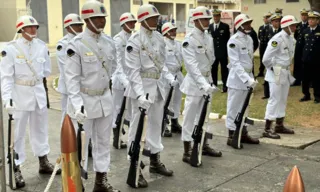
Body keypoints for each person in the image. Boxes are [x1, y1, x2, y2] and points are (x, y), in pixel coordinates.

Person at [64, 1, 119, 191]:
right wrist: (77, 105)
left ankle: (100, 181)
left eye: (103, 17)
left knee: (103, 142)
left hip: (104, 99)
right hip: (85, 101)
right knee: (81, 146)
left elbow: (112, 70)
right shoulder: (76, 45)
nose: (102, 21)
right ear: (87, 19)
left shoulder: (109, 42)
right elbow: (71, 80)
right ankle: (77, 184)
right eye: (97, 18)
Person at [1, 15, 60, 188]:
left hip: (38, 94)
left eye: (35, 27)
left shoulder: (42, 47)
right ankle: (16, 167)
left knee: (40, 130)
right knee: (17, 134)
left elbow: (46, 71)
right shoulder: (10, 49)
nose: (34, 29)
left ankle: (43, 161)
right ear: (21, 29)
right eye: (30, 27)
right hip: (19, 95)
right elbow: (5, 77)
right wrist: (7, 98)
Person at [124, 4, 174, 188]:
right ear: (143, 19)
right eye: (153, 17)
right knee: (137, 130)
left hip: (158, 88)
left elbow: (162, 63)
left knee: (155, 126)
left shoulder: (159, 38)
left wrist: (169, 77)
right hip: (142, 89)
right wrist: (139, 94)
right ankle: (134, 165)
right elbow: (133, 71)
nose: (157, 20)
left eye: (157, 17)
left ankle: (154, 160)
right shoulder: (135, 41)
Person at [180, 6, 222, 164]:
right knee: (190, 117)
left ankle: (203, 144)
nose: (207, 22)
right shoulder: (189, 40)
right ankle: (187, 149)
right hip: (194, 83)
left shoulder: (208, 38)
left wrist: (208, 82)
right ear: (195, 20)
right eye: (204, 19)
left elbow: (210, 61)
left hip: (207, 81)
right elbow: (191, 66)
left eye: (208, 19)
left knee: (204, 117)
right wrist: (203, 84)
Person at [225, 13, 260, 149]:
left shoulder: (249, 39)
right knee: (233, 108)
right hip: (237, 80)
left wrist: (252, 77)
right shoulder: (233, 41)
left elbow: (250, 60)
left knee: (245, 108)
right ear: (239, 26)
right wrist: (247, 79)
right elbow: (236, 63)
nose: (249, 26)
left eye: (249, 23)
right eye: (246, 23)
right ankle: (231, 135)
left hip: (248, 79)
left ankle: (243, 133)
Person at [262, 15, 298, 139]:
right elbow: (266, 59)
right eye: (293, 25)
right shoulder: (277, 39)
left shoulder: (291, 39)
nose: (295, 27)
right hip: (276, 71)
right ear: (286, 26)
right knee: (274, 99)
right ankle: (267, 128)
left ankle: (279, 125)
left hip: (286, 72)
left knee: (282, 99)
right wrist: (273, 69)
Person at [111, 12, 137, 149]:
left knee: (130, 110)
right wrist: (124, 80)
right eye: (131, 22)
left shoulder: (134, 38)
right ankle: (116, 137)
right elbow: (118, 63)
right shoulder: (117, 40)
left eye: (134, 22)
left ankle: (126, 135)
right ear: (124, 24)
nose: (133, 24)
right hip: (120, 80)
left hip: (131, 79)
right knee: (117, 109)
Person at [56, 14, 83, 125]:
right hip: (69, 87)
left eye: (80, 25)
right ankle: (66, 141)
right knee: (67, 115)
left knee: (82, 114)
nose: (80, 28)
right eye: (76, 25)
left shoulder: (83, 41)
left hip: (83, 86)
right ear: (68, 27)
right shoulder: (63, 45)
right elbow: (66, 68)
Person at [161, 22, 184, 137]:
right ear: (165, 32)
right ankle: (164, 125)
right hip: (167, 76)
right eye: (171, 31)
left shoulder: (178, 45)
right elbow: (162, 64)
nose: (174, 32)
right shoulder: (162, 45)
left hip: (178, 74)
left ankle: (175, 123)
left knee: (177, 100)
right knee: (166, 101)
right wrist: (169, 78)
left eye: (175, 30)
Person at [208, 9, 230, 93]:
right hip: (213, 52)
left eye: (217, 16)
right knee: (213, 69)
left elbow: (227, 40)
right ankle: (214, 85)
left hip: (223, 52)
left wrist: (226, 52)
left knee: (224, 70)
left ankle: (225, 86)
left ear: (220, 16)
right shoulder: (209, 27)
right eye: (214, 16)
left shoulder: (225, 26)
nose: (216, 17)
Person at [300, 11, 320, 104]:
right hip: (306, 59)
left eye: (313, 19)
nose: (310, 21)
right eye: (309, 19)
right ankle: (306, 95)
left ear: (317, 20)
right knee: (305, 79)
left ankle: (317, 96)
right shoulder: (305, 31)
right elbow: (303, 46)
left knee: (317, 79)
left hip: (316, 60)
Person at [262, 13, 282, 100]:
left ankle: (277, 91)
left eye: (279, 21)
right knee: (268, 75)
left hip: (278, 57)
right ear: (272, 22)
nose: (277, 23)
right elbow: (264, 43)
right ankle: (267, 93)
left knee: (278, 75)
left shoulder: (282, 32)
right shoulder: (267, 30)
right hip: (269, 56)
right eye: (275, 21)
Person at [292, 8, 309, 86]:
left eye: (305, 15)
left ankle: (309, 81)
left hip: (307, 46)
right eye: (302, 15)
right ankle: (297, 80)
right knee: (297, 63)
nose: (304, 17)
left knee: (307, 64)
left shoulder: (310, 25)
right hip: (299, 47)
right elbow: (295, 36)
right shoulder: (298, 25)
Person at [257, 11, 272, 77]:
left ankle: (269, 71)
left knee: (268, 59)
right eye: (266, 18)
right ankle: (261, 72)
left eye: (268, 18)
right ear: (263, 19)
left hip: (268, 45)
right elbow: (259, 36)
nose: (267, 19)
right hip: (262, 45)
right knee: (262, 58)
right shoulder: (261, 27)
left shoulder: (271, 27)